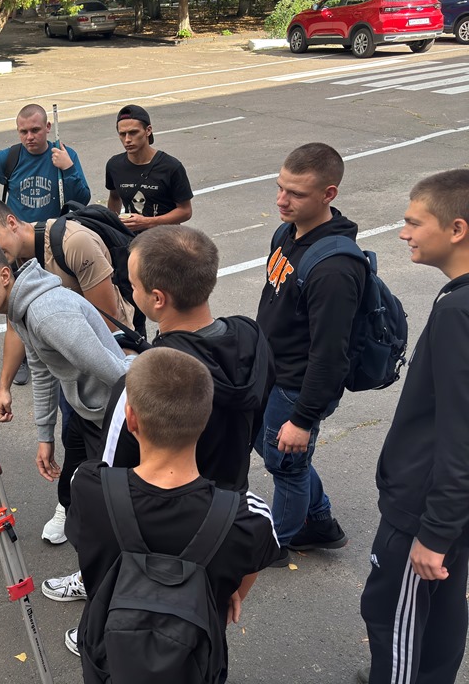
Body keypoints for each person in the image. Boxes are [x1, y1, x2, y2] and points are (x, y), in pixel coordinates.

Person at [66, 347, 282, 670]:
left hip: (107, 657)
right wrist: (227, 592)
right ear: (204, 420)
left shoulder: (89, 488)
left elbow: (84, 545)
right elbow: (252, 565)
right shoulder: (246, 518)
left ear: (131, 418)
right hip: (191, 662)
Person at [0, 237, 131, 618]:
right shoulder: (22, 310)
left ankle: (107, 609)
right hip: (87, 416)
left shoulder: (44, 314)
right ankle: (100, 583)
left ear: (4, 276)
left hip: (111, 419)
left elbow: (116, 372)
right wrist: (45, 436)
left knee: (101, 517)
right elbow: (42, 370)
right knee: (80, 503)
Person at [358, 168, 469, 684]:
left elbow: (460, 433)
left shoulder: (458, 313)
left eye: (414, 222)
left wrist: (435, 531)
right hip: (448, 507)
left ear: (457, 229)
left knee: (393, 623)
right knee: (442, 614)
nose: (403, 233)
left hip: (424, 509)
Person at [255, 142, 365, 566]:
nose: (281, 200)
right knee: (273, 450)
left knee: (287, 467)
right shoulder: (287, 232)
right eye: (280, 187)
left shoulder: (335, 269)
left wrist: (302, 419)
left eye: (296, 194)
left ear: (328, 194)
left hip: (295, 385)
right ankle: (318, 520)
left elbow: (330, 355)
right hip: (271, 372)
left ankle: (274, 544)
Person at [102, 225, 275, 493]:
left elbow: (111, 475)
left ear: (157, 298)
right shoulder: (252, 336)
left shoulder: (146, 380)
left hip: (167, 506)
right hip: (231, 498)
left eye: (133, 286)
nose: (131, 292)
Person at [0, 103, 92, 388]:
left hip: (51, 243)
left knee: (56, 298)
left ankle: (60, 347)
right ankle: (23, 356)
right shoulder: (11, 157)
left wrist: (68, 169)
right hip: (16, 244)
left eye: (35, 130)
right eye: (23, 131)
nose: (29, 137)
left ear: (48, 128)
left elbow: (82, 199)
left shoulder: (64, 154)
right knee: (15, 301)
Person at [104, 104, 193, 232]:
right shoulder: (114, 165)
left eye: (133, 132)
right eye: (122, 134)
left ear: (148, 130)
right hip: (130, 238)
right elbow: (114, 197)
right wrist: (113, 228)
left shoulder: (171, 167)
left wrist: (147, 222)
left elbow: (185, 211)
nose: (127, 139)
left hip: (165, 238)